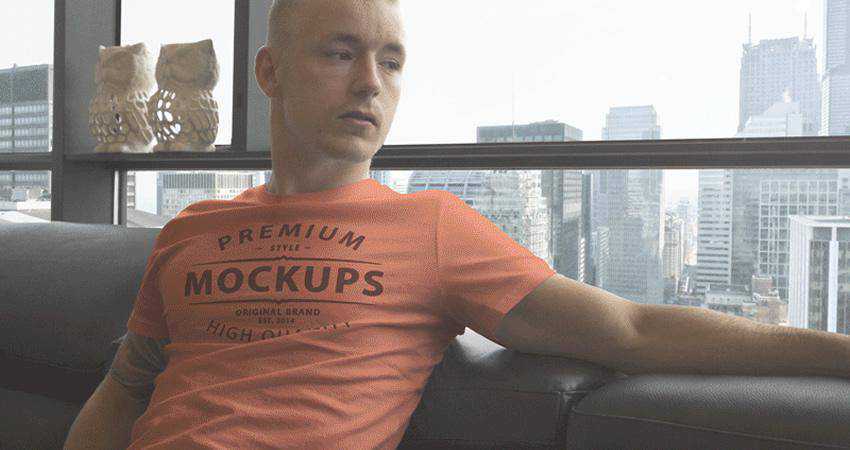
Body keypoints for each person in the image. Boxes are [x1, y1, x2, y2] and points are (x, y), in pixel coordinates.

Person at [65, 0, 850, 448]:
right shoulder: (191, 230)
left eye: (391, 61)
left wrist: (840, 355)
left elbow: (631, 331)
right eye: (339, 53)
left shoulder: (432, 228)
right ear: (269, 72)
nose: (370, 83)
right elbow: (126, 386)